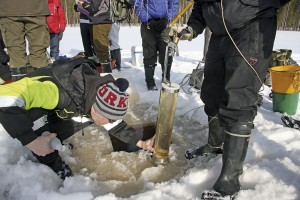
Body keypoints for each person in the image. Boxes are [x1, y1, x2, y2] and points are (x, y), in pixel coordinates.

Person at [178, 0, 292, 199]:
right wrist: (192, 27)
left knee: (238, 100)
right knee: (211, 94)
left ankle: (229, 183)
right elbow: (200, 6)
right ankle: (215, 145)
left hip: (252, 29)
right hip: (220, 35)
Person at [0, 58, 155, 180]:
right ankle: (53, 163)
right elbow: (3, 97)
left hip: (66, 108)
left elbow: (113, 124)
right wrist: (31, 141)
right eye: (109, 119)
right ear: (96, 108)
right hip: (32, 106)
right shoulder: (57, 94)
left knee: (80, 120)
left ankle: (55, 138)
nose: (111, 123)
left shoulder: (96, 99)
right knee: (43, 132)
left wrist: (140, 142)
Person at [134, 0, 179, 91]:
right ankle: (150, 82)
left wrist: (167, 18)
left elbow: (174, 4)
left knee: (166, 52)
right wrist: (148, 19)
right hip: (148, 25)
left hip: (164, 25)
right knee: (149, 53)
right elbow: (137, 5)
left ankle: (166, 78)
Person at [0, 0, 50, 81]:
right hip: (36, 8)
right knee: (38, 53)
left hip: (8, 8)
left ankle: (20, 87)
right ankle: (39, 85)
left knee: (16, 54)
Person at [78, 0, 113, 72]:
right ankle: (104, 69)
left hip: (101, 20)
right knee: (99, 46)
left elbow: (94, 7)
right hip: (101, 20)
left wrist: (83, 4)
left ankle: (106, 71)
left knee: (101, 46)